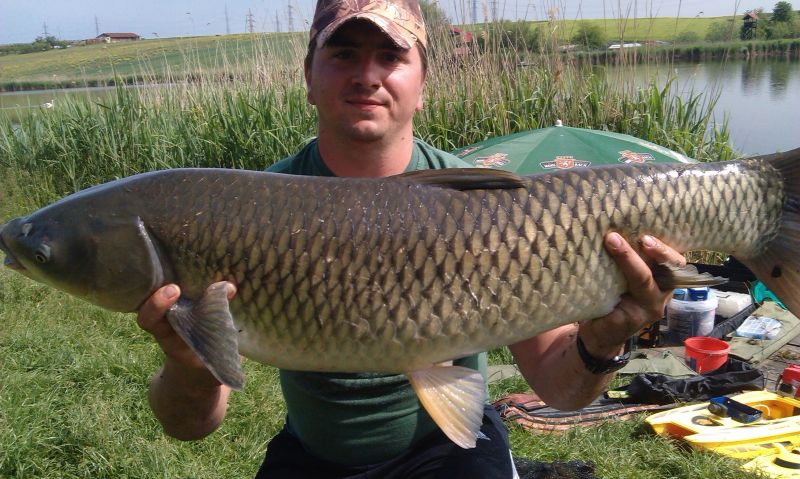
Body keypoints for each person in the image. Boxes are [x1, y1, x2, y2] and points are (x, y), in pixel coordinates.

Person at [136, 1, 687, 477]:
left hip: (450, 444)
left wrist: (605, 339)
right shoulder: (248, 207)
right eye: (343, 54)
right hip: (316, 454)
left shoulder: (490, 202)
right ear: (308, 76)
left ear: (422, 84)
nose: (366, 75)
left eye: (391, 56)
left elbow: (560, 388)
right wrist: (188, 361)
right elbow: (190, 426)